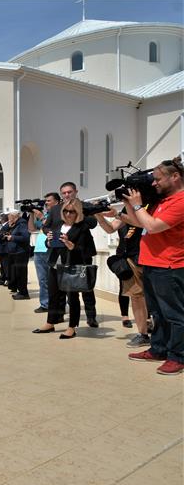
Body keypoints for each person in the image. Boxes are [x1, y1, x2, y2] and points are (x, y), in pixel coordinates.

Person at [123, 156, 184, 375]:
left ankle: (178, 357)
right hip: (150, 264)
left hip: (169, 266)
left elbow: (154, 226)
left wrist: (139, 204)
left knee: (174, 314)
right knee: (157, 313)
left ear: (175, 177)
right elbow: (139, 222)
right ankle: (158, 349)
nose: (154, 183)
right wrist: (130, 204)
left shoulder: (181, 201)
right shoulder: (163, 201)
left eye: (158, 179)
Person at [33, 198, 95, 339]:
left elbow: (87, 250)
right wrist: (49, 241)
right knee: (53, 295)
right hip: (56, 264)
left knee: (72, 298)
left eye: (72, 211)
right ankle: (50, 322)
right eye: (65, 211)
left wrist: (71, 245)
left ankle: (72, 327)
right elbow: (51, 245)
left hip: (71, 266)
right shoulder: (58, 225)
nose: (68, 214)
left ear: (77, 212)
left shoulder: (82, 228)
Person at [45, 182, 99, 327]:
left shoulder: (85, 206)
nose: (67, 195)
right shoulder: (56, 209)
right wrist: (50, 236)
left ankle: (91, 316)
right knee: (58, 288)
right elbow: (47, 226)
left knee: (85, 287)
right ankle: (56, 317)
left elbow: (93, 223)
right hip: (59, 253)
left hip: (81, 252)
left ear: (76, 191)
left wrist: (78, 215)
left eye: (69, 192)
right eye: (64, 193)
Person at [95, 207, 149, 347]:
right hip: (132, 257)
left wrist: (119, 213)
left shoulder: (154, 200)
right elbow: (110, 228)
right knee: (136, 297)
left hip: (154, 256)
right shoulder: (128, 207)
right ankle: (142, 334)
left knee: (159, 298)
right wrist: (99, 215)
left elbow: (147, 223)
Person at [28, 193, 61, 313]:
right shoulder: (46, 215)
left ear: (57, 202)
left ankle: (59, 304)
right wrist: (31, 214)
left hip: (51, 250)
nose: (46, 203)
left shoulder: (60, 214)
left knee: (55, 280)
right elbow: (31, 229)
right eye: (45, 201)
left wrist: (41, 217)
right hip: (39, 251)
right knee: (42, 280)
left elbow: (52, 228)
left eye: (49, 201)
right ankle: (45, 304)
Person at [5, 211, 31, 300]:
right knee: (17, 273)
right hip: (15, 252)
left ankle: (24, 293)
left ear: (14, 217)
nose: (8, 219)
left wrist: (13, 237)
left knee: (21, 274)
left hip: (21, 253)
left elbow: (26, 237)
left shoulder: (22, 224)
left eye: (9, 217)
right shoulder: (15, 225)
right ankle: (20, 291)